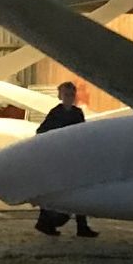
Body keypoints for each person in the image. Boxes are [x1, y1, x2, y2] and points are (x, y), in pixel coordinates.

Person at [31, 81, 96, 237]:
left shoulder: (77, 113)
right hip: (59, 159)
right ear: (60, 96)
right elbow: (41, 132)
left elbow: (83, 133)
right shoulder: (55, 113)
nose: (69, 97)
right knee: (56, 190)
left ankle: (81, 226)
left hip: (73, 158)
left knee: (78, 190)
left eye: (72, 95)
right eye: (67, 94)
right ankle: (46, 223)